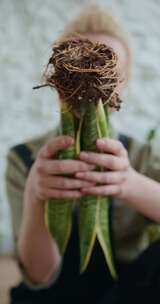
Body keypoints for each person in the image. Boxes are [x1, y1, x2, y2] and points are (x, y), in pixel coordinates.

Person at [5, 5, 160, 304]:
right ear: (57, 77)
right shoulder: (23, 159)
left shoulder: (142, 156)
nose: (92, 80)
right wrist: (35, 195)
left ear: (124, 83)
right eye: (79, 67)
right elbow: (38, 276)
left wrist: (130, 184)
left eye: (108, 69)